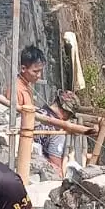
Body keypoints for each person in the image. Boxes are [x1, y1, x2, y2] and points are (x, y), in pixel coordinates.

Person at [13, 44, 90, 176]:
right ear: (23, 68)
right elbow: (56, 163)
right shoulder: (17, 90)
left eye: (40, 71)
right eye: (35, 71)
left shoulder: (27, 89)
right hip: (22, 145)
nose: (39, 75)